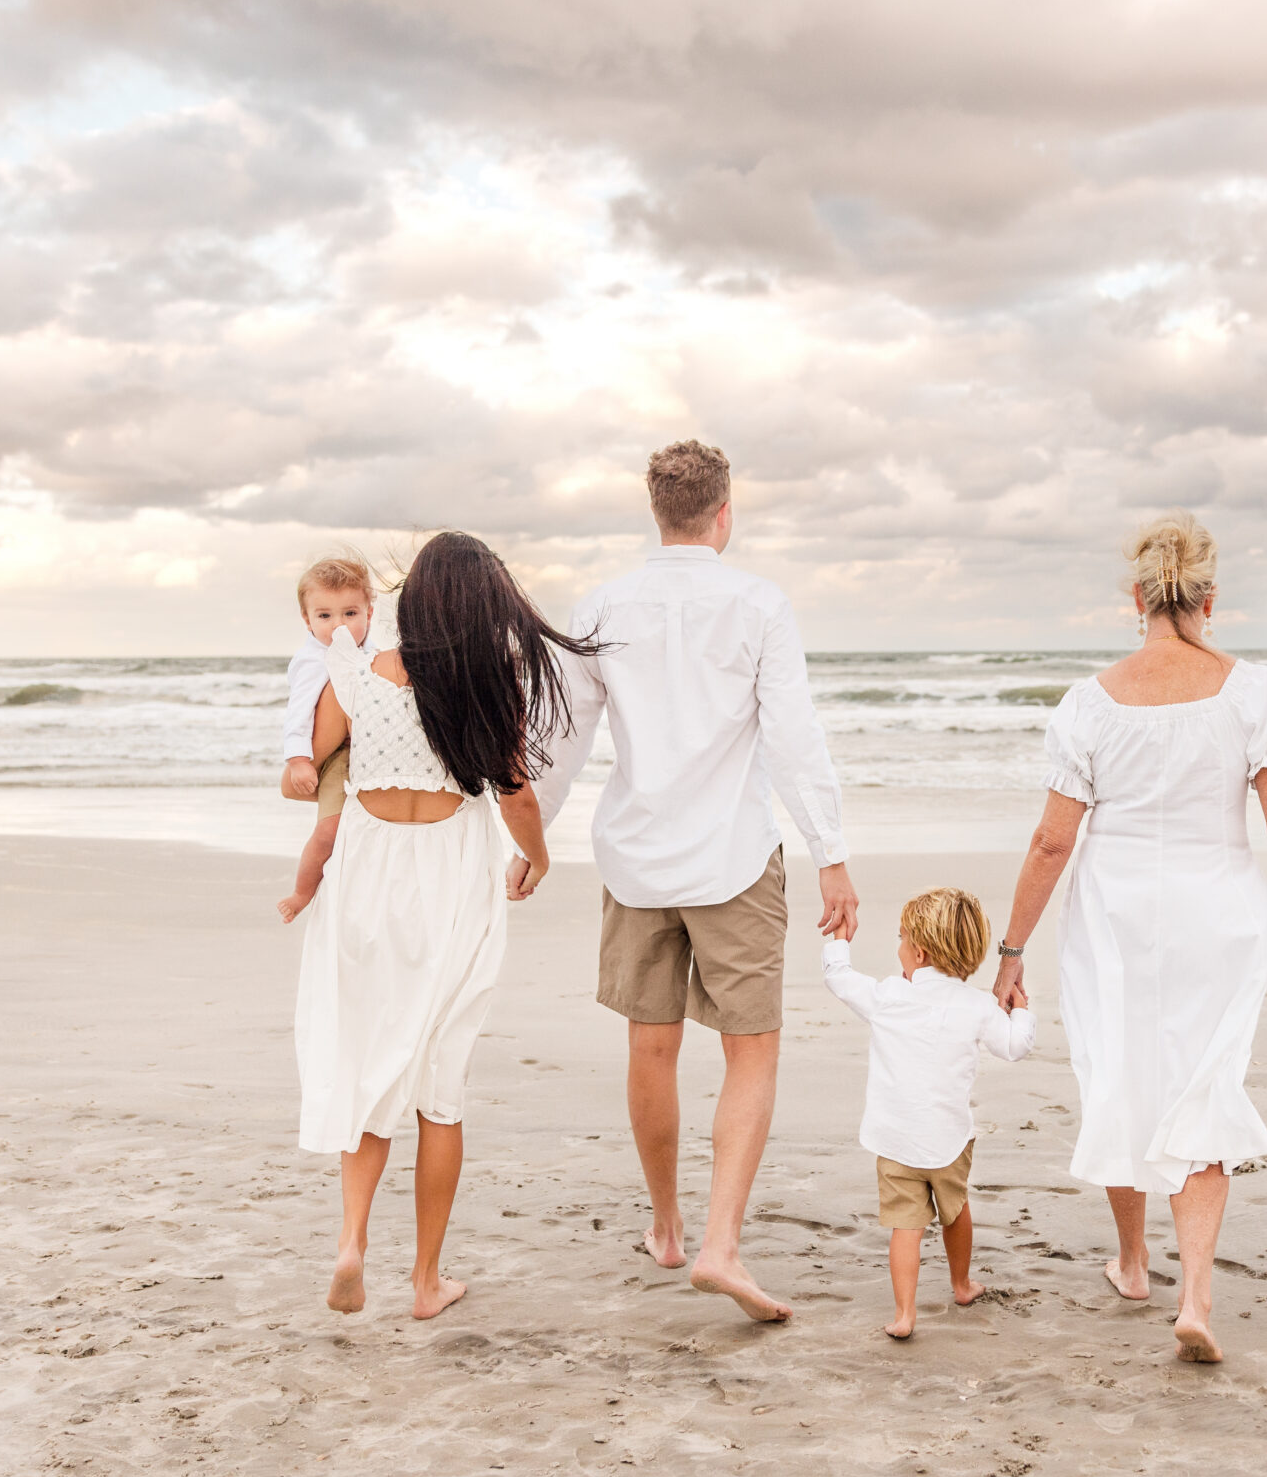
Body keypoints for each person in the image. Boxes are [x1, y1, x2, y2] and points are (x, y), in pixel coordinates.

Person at [532, 440, 860, 1324]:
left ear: (656, 512)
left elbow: (557, 735)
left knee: (652, 1046)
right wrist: (830, 851)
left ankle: (669, 1228)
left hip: (637, 860)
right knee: (750, 1047)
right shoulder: (758, 603)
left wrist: (529, 834)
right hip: (733, 859)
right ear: (725, 512)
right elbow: (794, 736)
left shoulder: (603, 603)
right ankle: (721, 1242)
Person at [990, 512, 1267, 1365]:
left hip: (1117, 918)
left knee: (1122, 1075)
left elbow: (1050, 843)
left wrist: (1012, 949)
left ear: (1137, 598)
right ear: (1211, 599)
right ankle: (1198, 1296)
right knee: (1202, 1082)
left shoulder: (1089, 703)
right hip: (1220, 912)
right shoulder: (1255, 691)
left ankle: (1134, 1265)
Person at [292, 531, 597, 1320]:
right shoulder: (487, 685)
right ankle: (426, 1281)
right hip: (449, 880)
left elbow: (309, 760)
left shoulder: (366, 674)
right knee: (440, 1085)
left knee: (369, 1059)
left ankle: (353, 1240)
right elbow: (517, 797)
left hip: (367, 873)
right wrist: (538, 858)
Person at [823, 886, 1035, 1340]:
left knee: (906, 1226)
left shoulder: (887, 997)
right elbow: (1016, 1047)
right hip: (948, 1142)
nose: (897, 946)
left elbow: (838, 978)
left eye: (901, 938)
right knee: (955, 1211)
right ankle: (961, 1285)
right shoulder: (978, 1006)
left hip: (895, 1139)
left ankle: (904, 1315)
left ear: (917, 952)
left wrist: (839, 939)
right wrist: (1021, 1009)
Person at [277, 553, 374, 924]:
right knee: (330, 830)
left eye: (350, 614)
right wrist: (299, 759)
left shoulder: (372, 655)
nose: (339, 627)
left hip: (370, 752)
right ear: (307, 620)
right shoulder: (313, 661)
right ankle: (303, 891)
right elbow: (299, 713)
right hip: (336, 758)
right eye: (325, 616)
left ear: (369, 611)